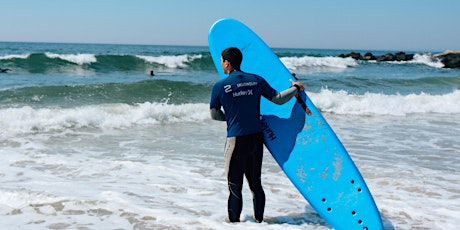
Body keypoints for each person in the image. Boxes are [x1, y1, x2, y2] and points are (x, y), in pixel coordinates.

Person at [209, 47, 305, 223]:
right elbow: (278, 98)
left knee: (234, 187)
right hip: (256, 139)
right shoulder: (256, 80)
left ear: (227, 63)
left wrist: (230, 118)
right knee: (256, 185)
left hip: (236, 140)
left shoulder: (220, 86)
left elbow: (214, 115)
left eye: (222, 61)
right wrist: (295, 88)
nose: (222, 64)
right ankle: (260, 223)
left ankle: (234, 225)